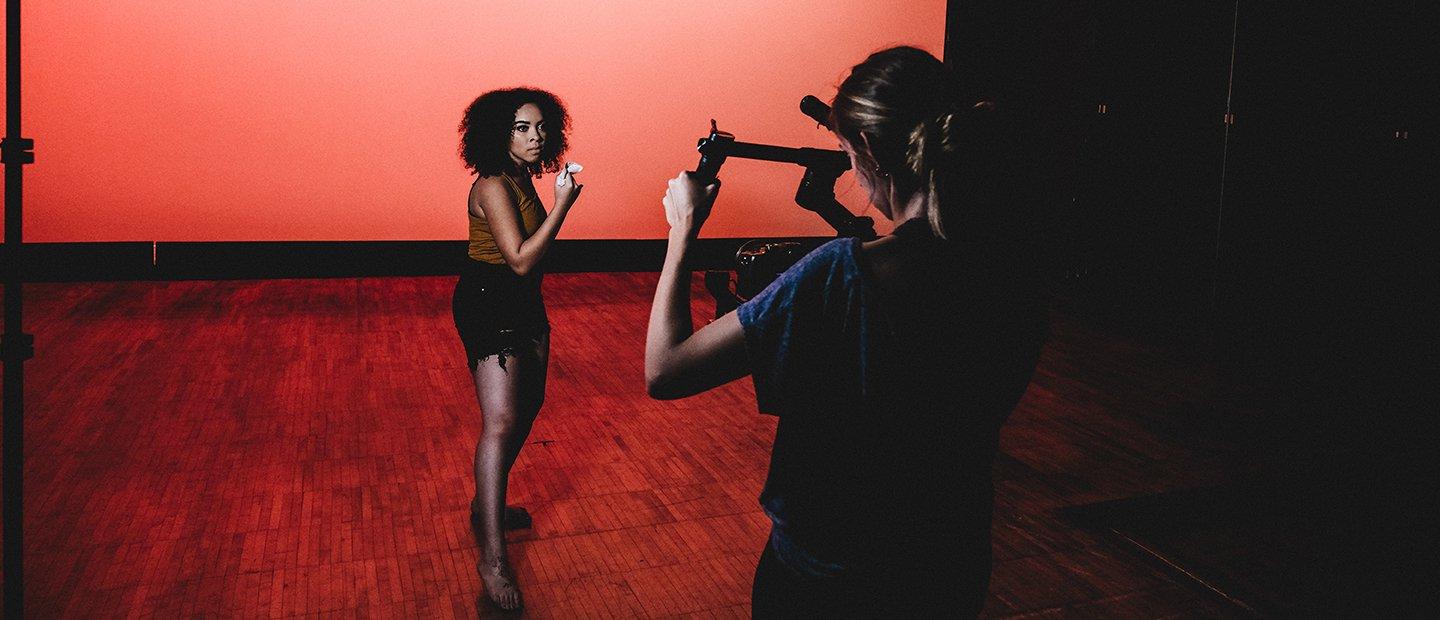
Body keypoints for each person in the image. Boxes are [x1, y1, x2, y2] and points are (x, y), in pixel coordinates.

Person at [645, 46, 1045, 617]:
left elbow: (666, 370)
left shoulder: (841, 275)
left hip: (827, 576)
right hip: (947, 565)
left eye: (847, 153)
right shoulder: (1013, 274)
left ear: (874, 156)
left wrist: (682, 230)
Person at [453, 87, 581, 611]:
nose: (536, 137)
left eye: (540, 127)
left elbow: (528, 275)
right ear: (497, 134)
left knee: (530, 406)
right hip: (489, 301)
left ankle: (489, 502)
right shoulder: (492, 185)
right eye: (521, 129)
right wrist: (563, 207)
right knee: (502, 420)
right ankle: (493, 558)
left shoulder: (522, 175)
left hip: (525, 302)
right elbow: (522, 259)